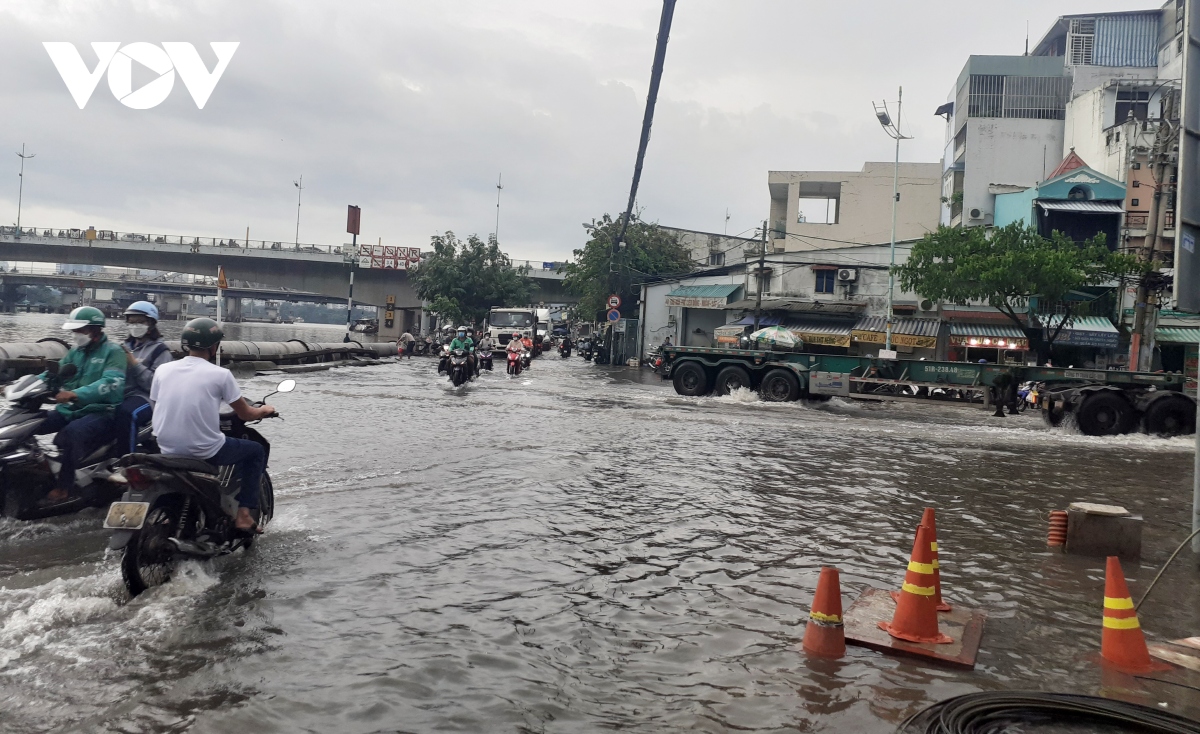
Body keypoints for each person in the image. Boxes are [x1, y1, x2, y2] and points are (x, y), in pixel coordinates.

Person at [150, 318, 275, 532]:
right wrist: (263, 411)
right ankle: (244, 515)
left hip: (166, 447)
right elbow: (244, 414)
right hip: (203, 450)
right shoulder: (221, 374)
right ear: (214, 346)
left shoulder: (163, 370)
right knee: (255, 451)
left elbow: (156, 404)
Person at [35, 307, 127, 504]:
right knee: (34, 423)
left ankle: (63, 488)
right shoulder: (75, 352)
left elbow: (111, 383)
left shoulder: (114, 352)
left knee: (72, 433)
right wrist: (20, 385)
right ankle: (40, 467)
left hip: (101, 412)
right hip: (71, 410)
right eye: (74, 331)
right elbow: (53, 374)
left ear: (95, 330)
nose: (76, 335)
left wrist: (75, 394)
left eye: (81, 330)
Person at [115, 301, 174, 454]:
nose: (135, 326)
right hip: (123, 394)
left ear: (151, 324)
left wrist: (134, 364)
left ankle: (125, 460)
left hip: (146, 398)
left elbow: (156, 386)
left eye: (140, 322)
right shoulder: (123, 346)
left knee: (128, 414)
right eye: (131, 322)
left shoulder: (161, 351)